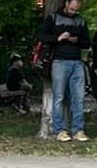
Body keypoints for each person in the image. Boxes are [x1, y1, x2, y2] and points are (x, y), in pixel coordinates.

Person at [39, 0, 92, 142]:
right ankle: (60, 130)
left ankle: (78, 130)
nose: (74, 12)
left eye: (76, 10)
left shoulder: (80, 21)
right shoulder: (54, 18)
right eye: (72, 9)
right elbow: (41, 36)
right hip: (59, 62)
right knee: (59, 97)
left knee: (79, 98)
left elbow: (87, 42)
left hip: (76, 62)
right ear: (66, 3)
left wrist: (77, 40)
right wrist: (58, 38)